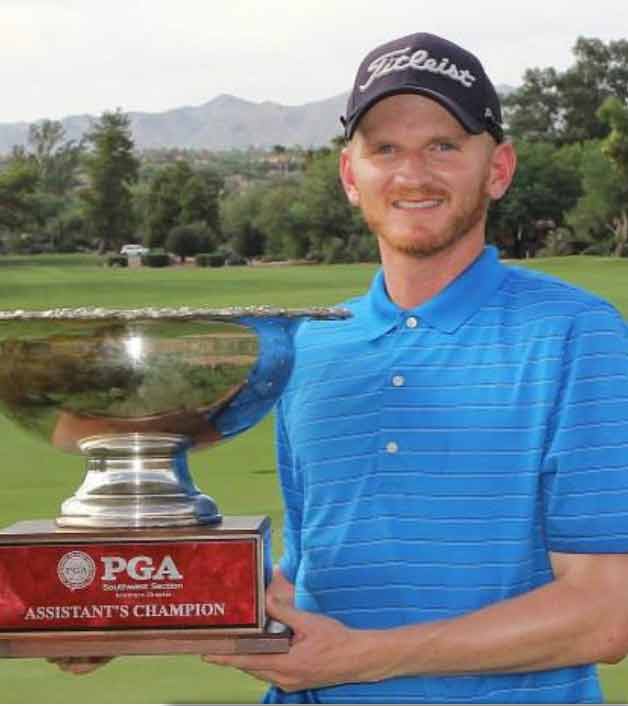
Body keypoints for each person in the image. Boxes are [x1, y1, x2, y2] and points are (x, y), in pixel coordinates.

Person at [201, 32, 628, 704]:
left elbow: (605, 613)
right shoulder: (309, 345)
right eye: (385, 149)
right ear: (350, 175)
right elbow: (305, 572)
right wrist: (122, 615)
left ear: (499, 169)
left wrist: (362, 659)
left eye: (444, 146)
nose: (412, 174)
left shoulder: (576, 333)